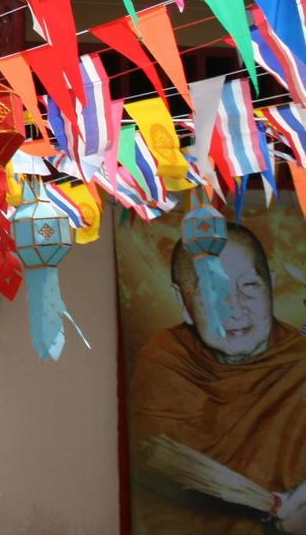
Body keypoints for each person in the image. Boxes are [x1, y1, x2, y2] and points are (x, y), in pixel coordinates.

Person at [132, 221, 306, 533]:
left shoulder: (301, 362)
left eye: (250, 286)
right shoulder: (167, 359)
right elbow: (154, 473)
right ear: (183, 301)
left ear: (272, 285)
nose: (235, 309)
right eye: (214, 291)